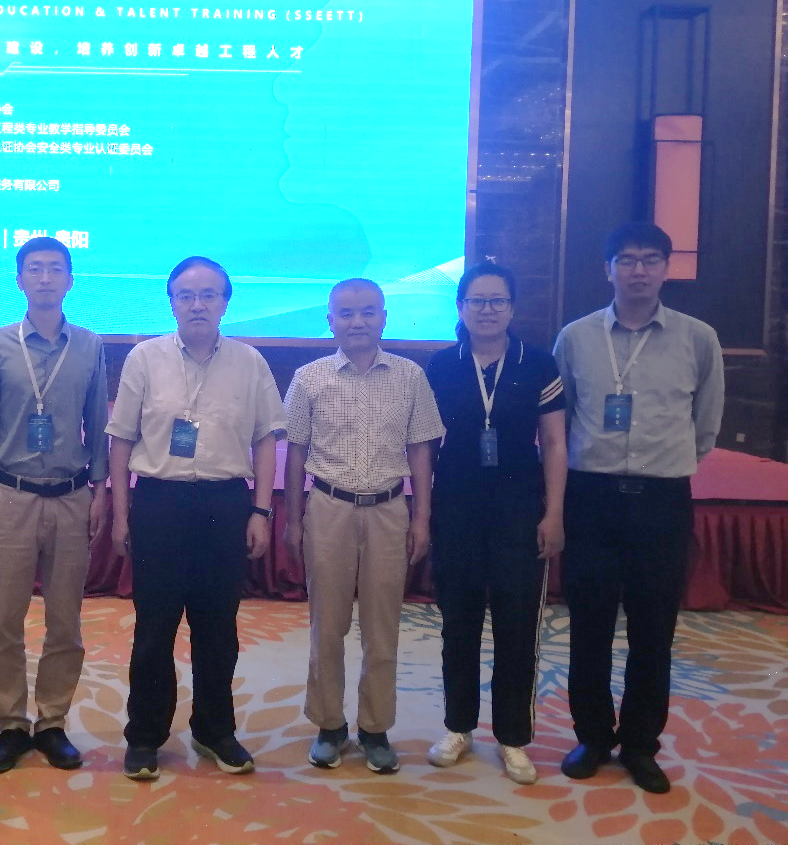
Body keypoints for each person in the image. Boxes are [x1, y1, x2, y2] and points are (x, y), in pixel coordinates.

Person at [553, 222, 723, 794]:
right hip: (591, 498)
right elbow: (561, 418)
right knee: (590, 626)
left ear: (666, 268)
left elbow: (706, 424)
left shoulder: (698, 338)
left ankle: (641, 744)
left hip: (661, 501)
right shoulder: (576, 337)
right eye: (626, 260)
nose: (639, 270)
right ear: (607, 270)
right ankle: (593, 737)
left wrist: (666, 462)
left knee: (654, 630)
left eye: (651, 259)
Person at [107, 256, 285, 781]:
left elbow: (266, 439)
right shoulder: (145, 357)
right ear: (171, 302)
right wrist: (121, 514)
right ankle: (145, 736)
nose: (198, 304)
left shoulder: (250, 361)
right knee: (154, 628)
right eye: (186, 295)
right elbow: (121, 440)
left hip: (224, 506)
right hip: (159, 504)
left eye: (209, 294)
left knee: (218, 628)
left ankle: (214, 730)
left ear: (226, 302)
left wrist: (261, 510)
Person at [283, 278, 445, 773]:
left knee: (382, 625)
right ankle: (330, 725)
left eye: (368, 311)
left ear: (384, 318)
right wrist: (293, 519)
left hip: (388, 510)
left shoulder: (411, 376)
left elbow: (421, 450)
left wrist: (422, 517)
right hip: (327, 508)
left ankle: (375, 728)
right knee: (327, 624)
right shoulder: (308, 378)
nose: (358, 321)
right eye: (347, 313)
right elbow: (296, 453)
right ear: (330, 320)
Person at [0, 236, 109, 774]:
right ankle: (11, 724)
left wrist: (100, 491)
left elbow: (98, 422)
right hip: (10, 497)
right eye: (34, 268)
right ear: (20, 279)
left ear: (69, 280)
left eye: (55, 268)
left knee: (65, 620)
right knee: (4, 619)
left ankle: (51, 722)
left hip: (72, 497)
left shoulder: (90, 345)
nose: (45, 277)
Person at [423, 261, 567, 785]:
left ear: (512, 307)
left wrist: (554, 512)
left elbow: (555, 442)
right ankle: (458, 726)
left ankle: (513, 737)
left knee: (517, 625)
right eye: (477, 301)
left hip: (519, 510)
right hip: (456, 508)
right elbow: (425, 445)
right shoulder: (441, 365)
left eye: (497, 300)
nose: (487, 310)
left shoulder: (538, 363)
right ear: (460, 307)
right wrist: (424, 512)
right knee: (457, 623)